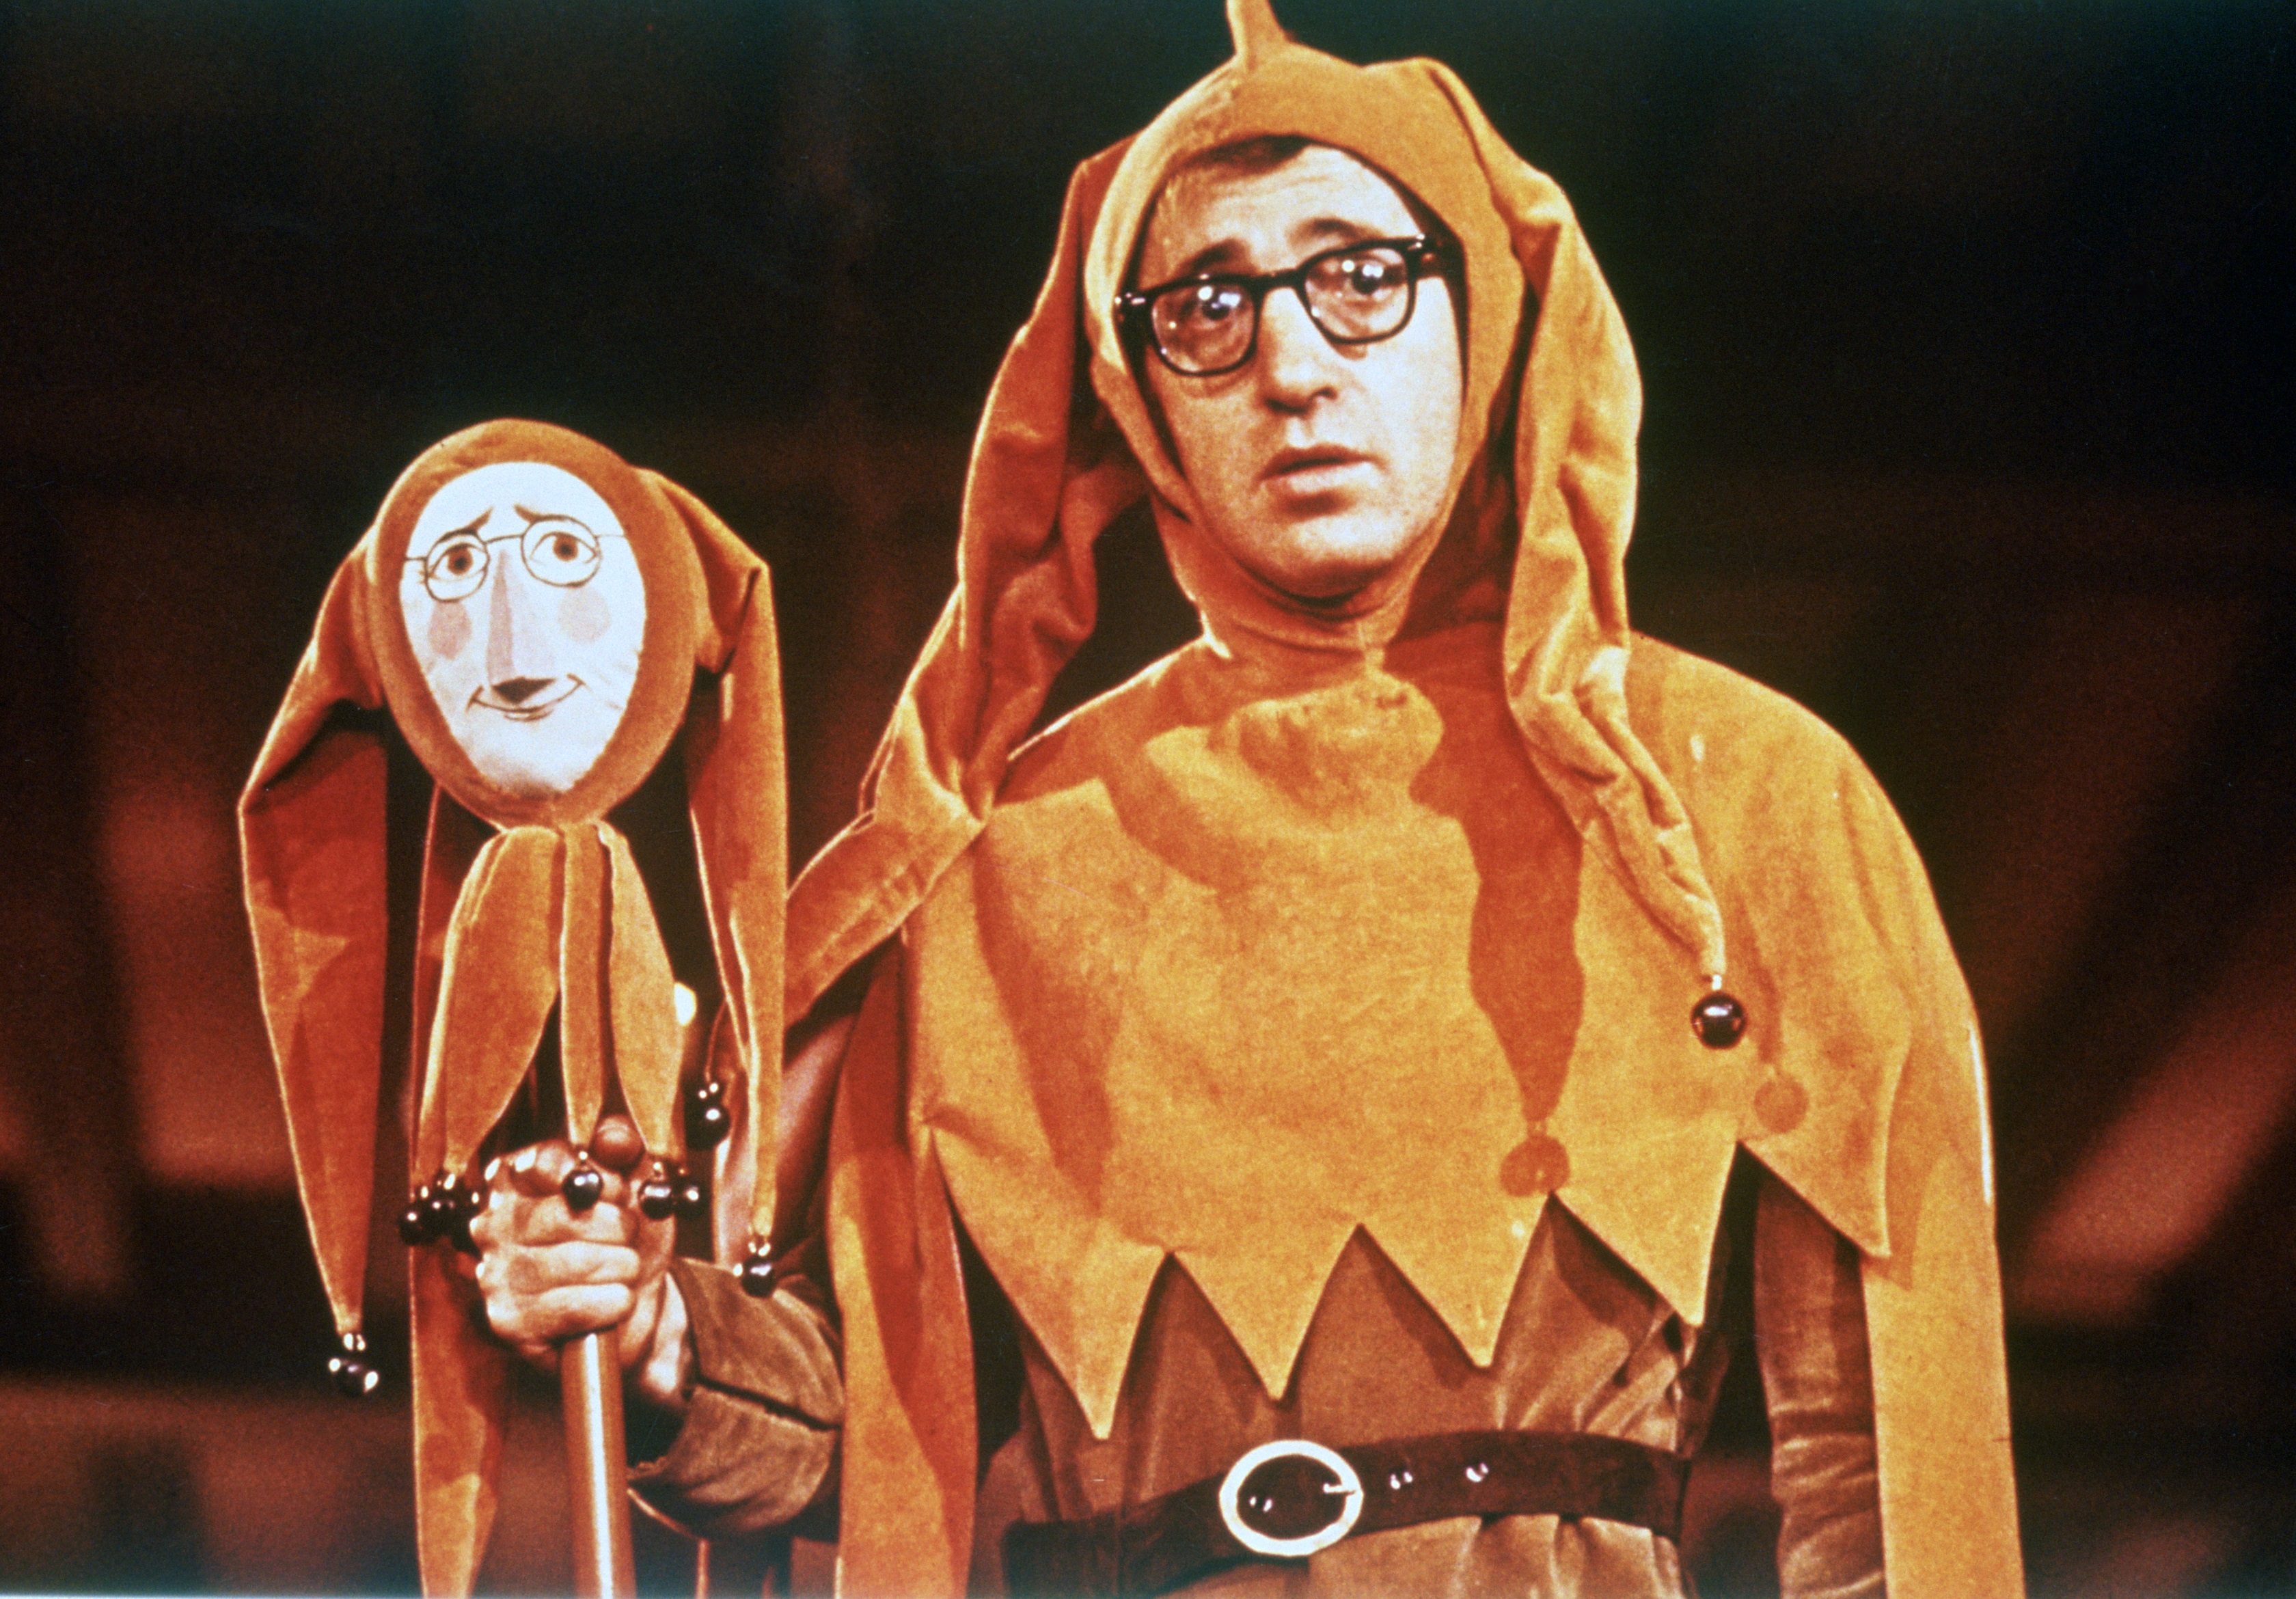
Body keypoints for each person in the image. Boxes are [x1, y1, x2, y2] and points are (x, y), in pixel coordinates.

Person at [470, 3, 2022, 1594]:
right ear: (1135, 390)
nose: (1290, 366)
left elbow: (1891, 1466)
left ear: (1482, 315)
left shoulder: (1739, 794)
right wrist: (648, 1330)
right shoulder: (1003, 862)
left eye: (1361, 276)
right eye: (1208, 306)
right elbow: (867, 1445)